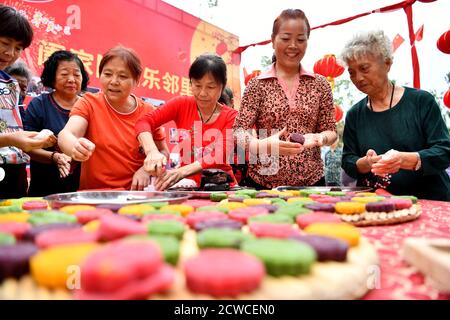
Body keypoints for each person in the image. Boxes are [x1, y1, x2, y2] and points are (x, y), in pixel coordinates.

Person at [233, 9, 337, 189]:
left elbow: (331, 130)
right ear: (273, 40)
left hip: (311, 182)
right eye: (286, 38)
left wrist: (321, 137)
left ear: (307, 42)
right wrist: (260, 145)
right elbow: (239, 131)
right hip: (264, 183)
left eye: (300, 39)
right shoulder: (257, 85)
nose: (293, 45)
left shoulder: (320, 84)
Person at [340, 30, 450, 201]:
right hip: (378, 204)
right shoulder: (354, 114)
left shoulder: (421, 101)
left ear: (387, 63)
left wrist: (405, 160)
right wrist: (366, 163)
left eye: (364, 68)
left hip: (429, 200)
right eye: (352, 72)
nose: (358, 78)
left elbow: (444, 151)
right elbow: (348, 160)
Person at [58, 46, 168, 191]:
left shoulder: (148, 112)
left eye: (123, 76)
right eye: (108, 74)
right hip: (94, 196)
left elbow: (163, 151)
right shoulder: (89, 103)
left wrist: (145, 170)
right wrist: (75, 147)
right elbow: (66, 134)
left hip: (135, 197)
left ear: (136, 81)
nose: (114, 81)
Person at [135, 53, 237, 191]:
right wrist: (152, 151)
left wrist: (181, 172)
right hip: (188, 187)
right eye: (197, 85)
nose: (202, 93)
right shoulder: (181, 104)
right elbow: (144, 122)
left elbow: (219, 154)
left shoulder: (232, 117)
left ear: (222, 86)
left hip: (222, 187)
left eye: (210, 87)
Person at [0, 5, 56, 198]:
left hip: (14, 170)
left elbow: (11, 129)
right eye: (5, 43)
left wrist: (27, 138)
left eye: (18, 48)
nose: (10, 53)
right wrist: (10, 139)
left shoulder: (11, 84)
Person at [23, 50, 89, 196]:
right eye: (64, 74)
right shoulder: (39, 105)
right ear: (52, 77)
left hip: (81, 191)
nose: (72, 79)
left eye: (77, 75)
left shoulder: (90, 106)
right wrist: (54, 157)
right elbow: (27, 147)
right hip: (43, 188)